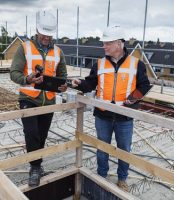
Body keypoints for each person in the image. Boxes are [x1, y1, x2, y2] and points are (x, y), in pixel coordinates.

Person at [71, 26, 150, 192]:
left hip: (124, 116)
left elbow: (144, 85)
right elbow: (90, 83)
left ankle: (122, 179)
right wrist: (80, 84)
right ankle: (102, 175)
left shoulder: (136, 64)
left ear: (120, 44)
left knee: (124, 150)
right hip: (103, 114)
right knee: (102, 148)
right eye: (104, 43)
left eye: (108, 43)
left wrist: (133, 98)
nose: (104, 46)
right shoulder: (99, 64)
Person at [10, 9, 67, 187]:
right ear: (37, 30)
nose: (46, 38)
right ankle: (35, 167)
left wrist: (62, 86)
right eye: (44, 34)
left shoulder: (58, 52)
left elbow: (62, 74)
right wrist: (27, 79)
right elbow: (14, 73)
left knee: (42, 135)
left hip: (48, 100)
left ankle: (37, 163)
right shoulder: (24, 48)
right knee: (31, 133)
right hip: (29, 98)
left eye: (49, 35)